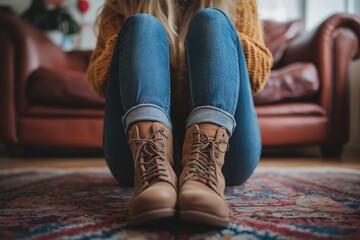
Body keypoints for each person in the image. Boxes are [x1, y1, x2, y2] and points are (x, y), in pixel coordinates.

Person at [87, 0, 273, 228]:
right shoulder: (122, 2)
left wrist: (216, 44)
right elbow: (98, 80)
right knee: (142, 25)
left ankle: (204, 173)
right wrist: (137, 45)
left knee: (213, 20)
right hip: (136, 160)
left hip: (228, 155)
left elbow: (257, 74)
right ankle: (154, 174)